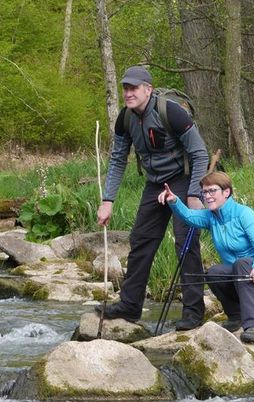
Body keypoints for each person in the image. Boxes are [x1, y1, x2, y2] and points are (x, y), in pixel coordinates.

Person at [95, 65, 209, 330]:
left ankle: (193, 313)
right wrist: (107, 200)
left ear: (148, 89)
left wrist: (194, 195)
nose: (128, 93)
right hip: (154, 183)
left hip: (182, 180)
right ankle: (129, 306)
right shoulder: (125, 118)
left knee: (186, 244)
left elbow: (200, 153)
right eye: (125, 88)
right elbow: (117, 159)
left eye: (134, 88)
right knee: (141, 241)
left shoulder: (173, 113)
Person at [157, 171, 254, 343]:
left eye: (212, 191)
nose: (207, 196)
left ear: (226, 192)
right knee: (214, 272)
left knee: (242, 263)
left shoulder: (244, 213)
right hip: (240, 278)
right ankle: (235, 317)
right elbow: (188, 216)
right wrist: (174, 201)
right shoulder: (211, 217)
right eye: (204, 192)